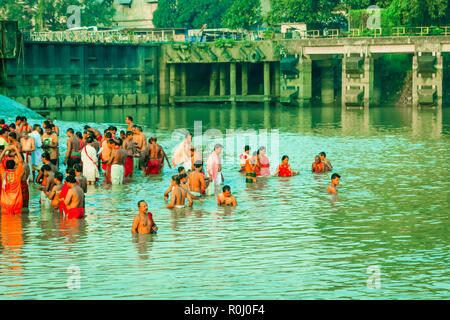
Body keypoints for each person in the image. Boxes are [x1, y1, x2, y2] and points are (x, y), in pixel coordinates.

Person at [0, 145, 24, 214]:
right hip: (17, 202)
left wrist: (5, 150)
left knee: (6, 222)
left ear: (6, 166)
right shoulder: (17, 174)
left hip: (5, 203)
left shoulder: (3, 174)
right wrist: (16, 149)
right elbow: (21, 162)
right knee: (16, 222)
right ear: (14, 166)